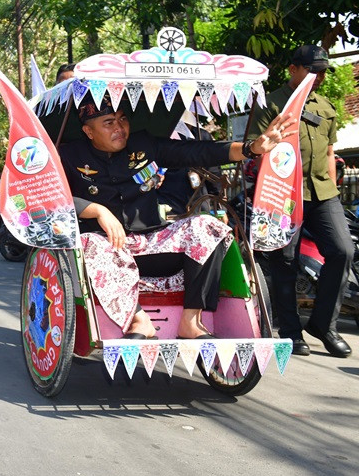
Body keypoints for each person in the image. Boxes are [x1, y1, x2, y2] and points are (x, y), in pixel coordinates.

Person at [60, 94, 296, 339]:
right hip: (107, 249)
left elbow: (198, 152)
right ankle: (140, 321)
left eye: (122, 119)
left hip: (152, 244)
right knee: (90, 243)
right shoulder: (69, 155)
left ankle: (191, 321)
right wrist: (97, 210)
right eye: (109, 123)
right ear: (89, 131)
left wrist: (251, 148)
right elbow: (54, 196)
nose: (119, 128)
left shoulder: (144, 144)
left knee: (208, 226)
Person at [250, 45, 352, 358]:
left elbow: (330, 150)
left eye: (322, 71)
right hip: (282, 193)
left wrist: (335, 179)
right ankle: (292, 333)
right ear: (293, 69)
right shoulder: (272, 103)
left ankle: (323, 324)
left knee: (343, 251)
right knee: (284, 262)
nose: (318, 77)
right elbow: (254, 148)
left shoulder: (325, 104)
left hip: (323, 192)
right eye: (312, 70)